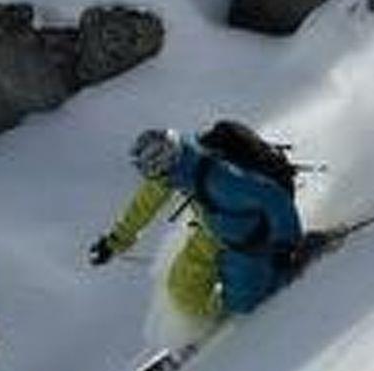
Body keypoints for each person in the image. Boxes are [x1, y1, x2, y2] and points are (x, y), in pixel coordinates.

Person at [89, 127, 304, 325]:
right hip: (214, 231)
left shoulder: (219, 179)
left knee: (244, 304)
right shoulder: (176, 168)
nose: (151, 174)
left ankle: (249, 302)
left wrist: (286, 246)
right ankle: (219, 315)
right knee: (182, 288)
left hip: (250, 240)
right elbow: (146, 201)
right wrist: (114, 241)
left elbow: (274, 198)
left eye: (152, 168)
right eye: (147, 169)